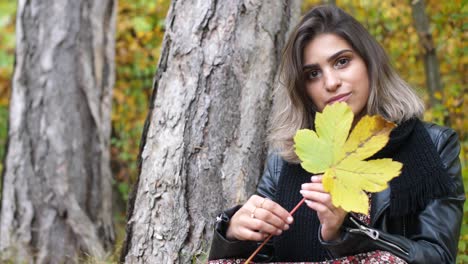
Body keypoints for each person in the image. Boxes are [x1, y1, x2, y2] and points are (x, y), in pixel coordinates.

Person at [208, 5, 464, 263]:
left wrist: (344, 232)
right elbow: (261, 255)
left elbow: (438, 256)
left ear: (370, 62)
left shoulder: (434, 144)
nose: (330, 83)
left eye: (342, 61)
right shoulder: (289, 158)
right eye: (313, 74)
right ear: (303, 89)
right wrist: (232, 235)